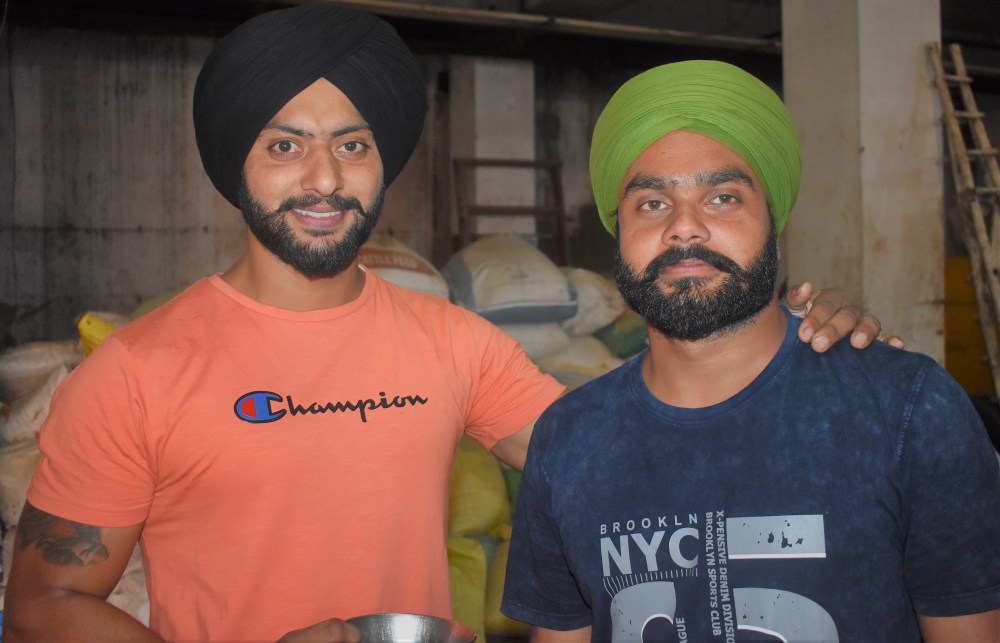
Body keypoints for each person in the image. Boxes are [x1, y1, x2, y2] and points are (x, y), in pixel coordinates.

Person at [2, 6, 885, 642]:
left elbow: (635, 455)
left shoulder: (451, 341)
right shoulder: (138, 370)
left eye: (353, 144)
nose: (324, 178)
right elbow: (43, 601)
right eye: (285, 145)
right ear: (237, 165)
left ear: (383, 163)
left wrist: (779, 346)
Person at [501, 60, 1000, 642]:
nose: (685, 228)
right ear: (618, 231)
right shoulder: (568, 439)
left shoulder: (907, 411)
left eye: (722, 198)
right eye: (653, 203)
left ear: (774, 221)